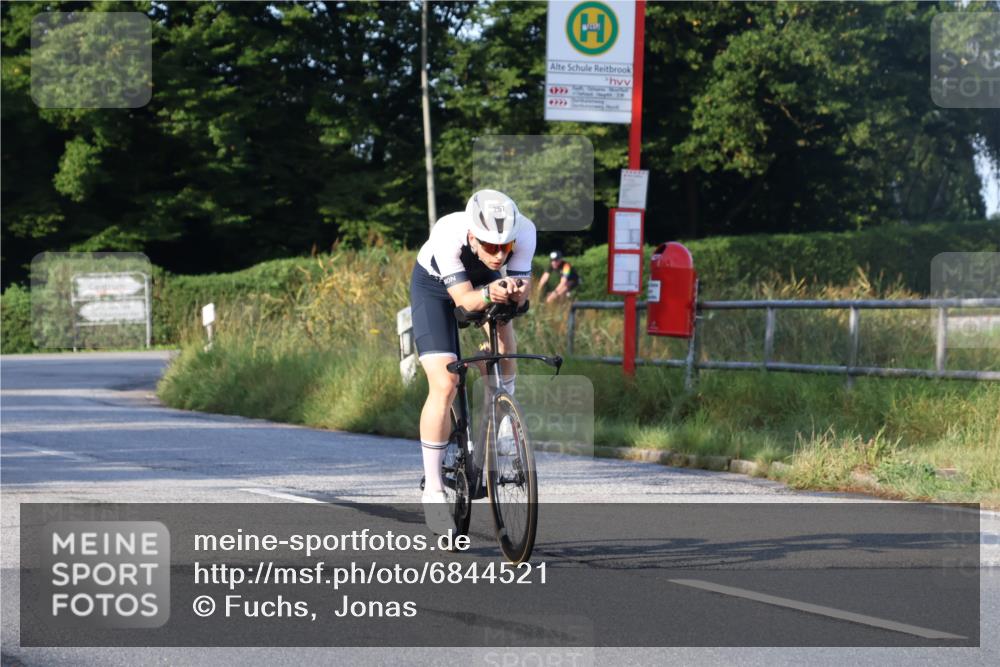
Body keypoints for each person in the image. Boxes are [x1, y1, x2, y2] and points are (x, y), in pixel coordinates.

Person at [409, 189, 536, 534]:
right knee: (445, 382)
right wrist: (489, 293)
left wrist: (515, 291)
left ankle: (504, 411)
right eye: (490, 246)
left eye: (506, 247)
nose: (499, 254)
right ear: (472, 237)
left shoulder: (525, 231)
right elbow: (465, 300)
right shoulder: (448, 234)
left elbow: (523, 290)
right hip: (435, 288)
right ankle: (434, 490)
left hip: (483, 283)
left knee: (505, 322)